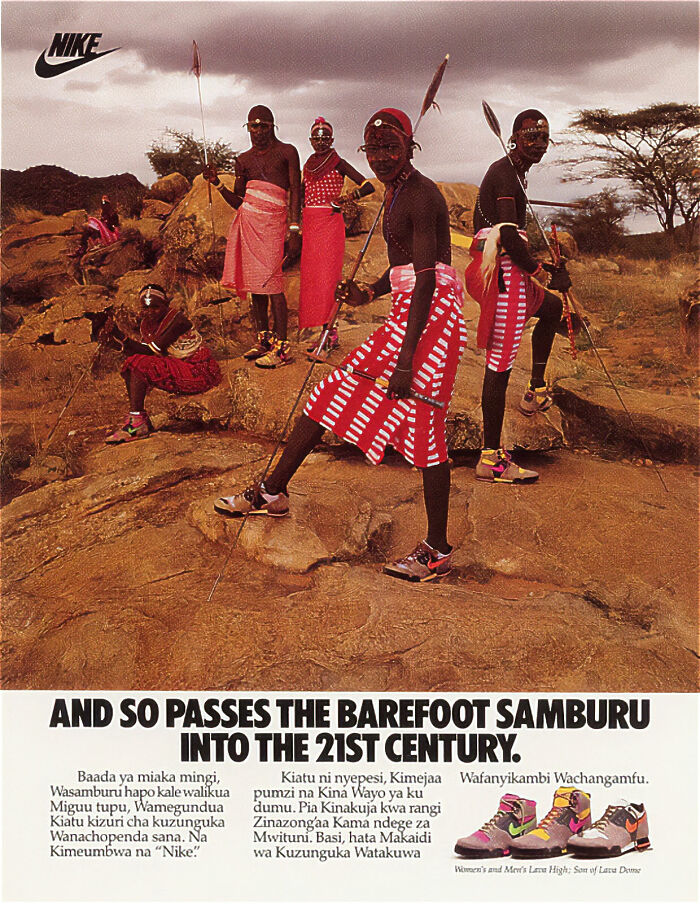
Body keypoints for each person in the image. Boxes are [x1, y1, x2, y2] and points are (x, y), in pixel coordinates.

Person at [214, 108, 468, 583]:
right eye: (373, 150)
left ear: (409, 148)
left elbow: (431, 279)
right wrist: (370, 291)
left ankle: (437, 549)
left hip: (432, 321)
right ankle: (272, 491)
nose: (381, 159)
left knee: (426, 425)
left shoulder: (422, 195)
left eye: (391, 149)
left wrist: (408, 359)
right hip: (410, 310)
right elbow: (407, 269)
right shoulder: (396, 193)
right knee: (330, 392)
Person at [465, 109, 571, 483]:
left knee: (553, 307)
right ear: (514, 138)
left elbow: (513, 237)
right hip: (503, 274)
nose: (538, 144)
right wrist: (542, 271)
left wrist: (541, 268)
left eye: (543, 138)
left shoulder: (516, 173)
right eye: (530, 137)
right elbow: (508, 236)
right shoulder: (505, 172)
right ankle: (491, 457)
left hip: (512, 268)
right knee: (500, 363)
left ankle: (535, 390)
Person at [203, 105, 301, 369]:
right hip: (248, 224)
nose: (257, 131)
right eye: (252, 126)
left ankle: (282, 348)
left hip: (274, 224)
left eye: (263, 126)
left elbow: (295, 191)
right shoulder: (243, 160)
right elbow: (239, 201)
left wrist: (294, 229)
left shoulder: (287, 152)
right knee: (257, 286)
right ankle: (264, 340)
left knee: (274, 285)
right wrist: (217, 183)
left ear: (273, 125)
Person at [101, 284, 222, 443]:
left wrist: (119, 335)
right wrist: (112, 340)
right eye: (146, 308)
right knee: (132, 364)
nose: (150, 312)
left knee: (138, 363)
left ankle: (136, 424)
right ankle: (139, 419)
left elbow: (150, 352)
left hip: (199, 373)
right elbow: (140, 353)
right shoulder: (148, 324)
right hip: (182, 368)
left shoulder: (177, 321)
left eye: (155, 307)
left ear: (166, 305)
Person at [299, 116, 374, 359]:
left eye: (325, 138)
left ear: (331, 140)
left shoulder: (338, 163)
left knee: (329, 278)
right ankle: (322, 332)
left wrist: (348, 197)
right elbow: (303, 193)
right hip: (310, 225)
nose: (320, 142)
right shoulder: (308, 164)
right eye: (316, 138)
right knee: (313, 279)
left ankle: (330, 334)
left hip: (330, 223)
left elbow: (367, 185)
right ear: (310, 140)